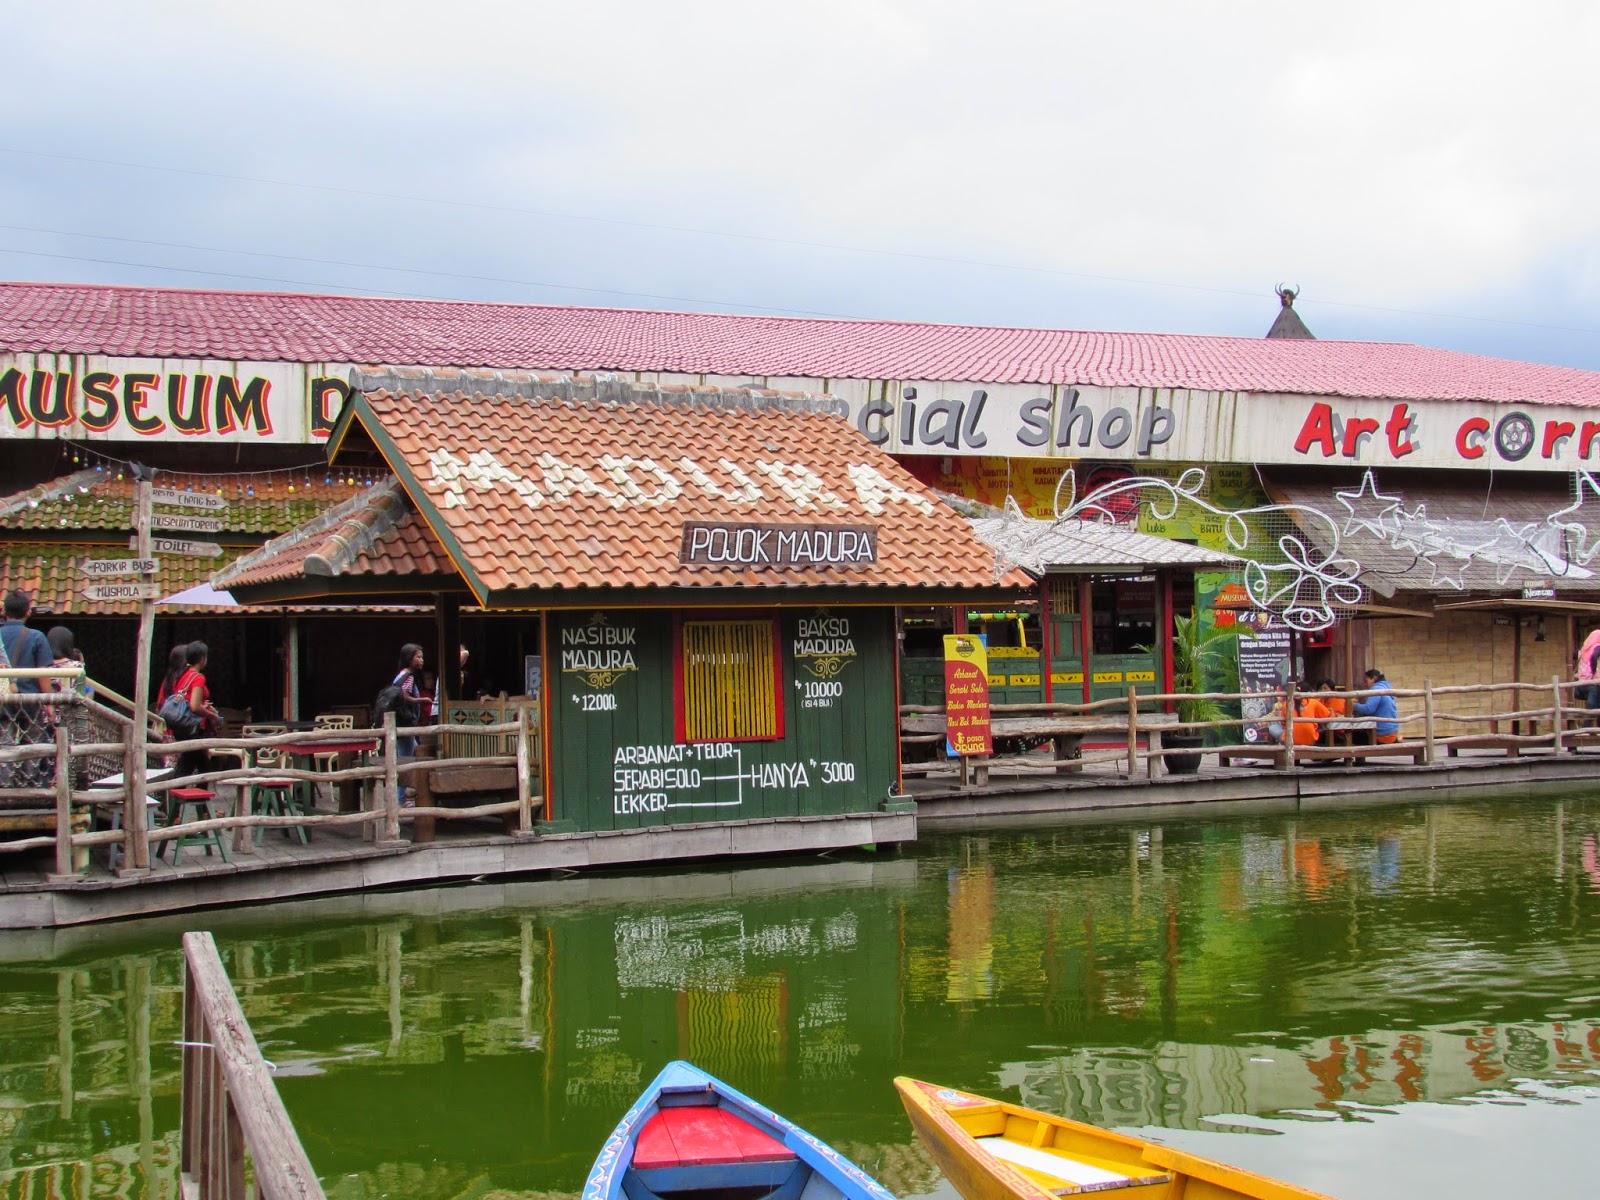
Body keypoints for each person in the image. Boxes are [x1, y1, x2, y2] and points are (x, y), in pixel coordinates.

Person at [1, 590, 54, 788]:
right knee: (33, 745)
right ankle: (30, 787)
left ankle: (5, 788)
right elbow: (43, 675)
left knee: (5, 745)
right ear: (28, 611)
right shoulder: (36, 637)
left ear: (5, 611)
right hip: (30, 701)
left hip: (3, 700)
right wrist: (49, 703)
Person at [171, 641, 222, 781]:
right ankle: (180, 800)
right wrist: (212, 715)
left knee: (200, 765)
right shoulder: (198, 677)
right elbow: (194, 706)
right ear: (202, 658)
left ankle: (199, 801)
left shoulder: (183, 675)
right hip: (194, 728)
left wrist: (204, 707)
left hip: (184, 728)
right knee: (189, 767)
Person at [1352, 667, 1400, 743]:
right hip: (1392, 732)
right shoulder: (1386, 688)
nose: (1366, 684)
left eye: (1366, 680)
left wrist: (1354, 705)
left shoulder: (1376, 689)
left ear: (1373, 679)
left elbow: (1369, 709)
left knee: (1352, 736)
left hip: (1383, 735)